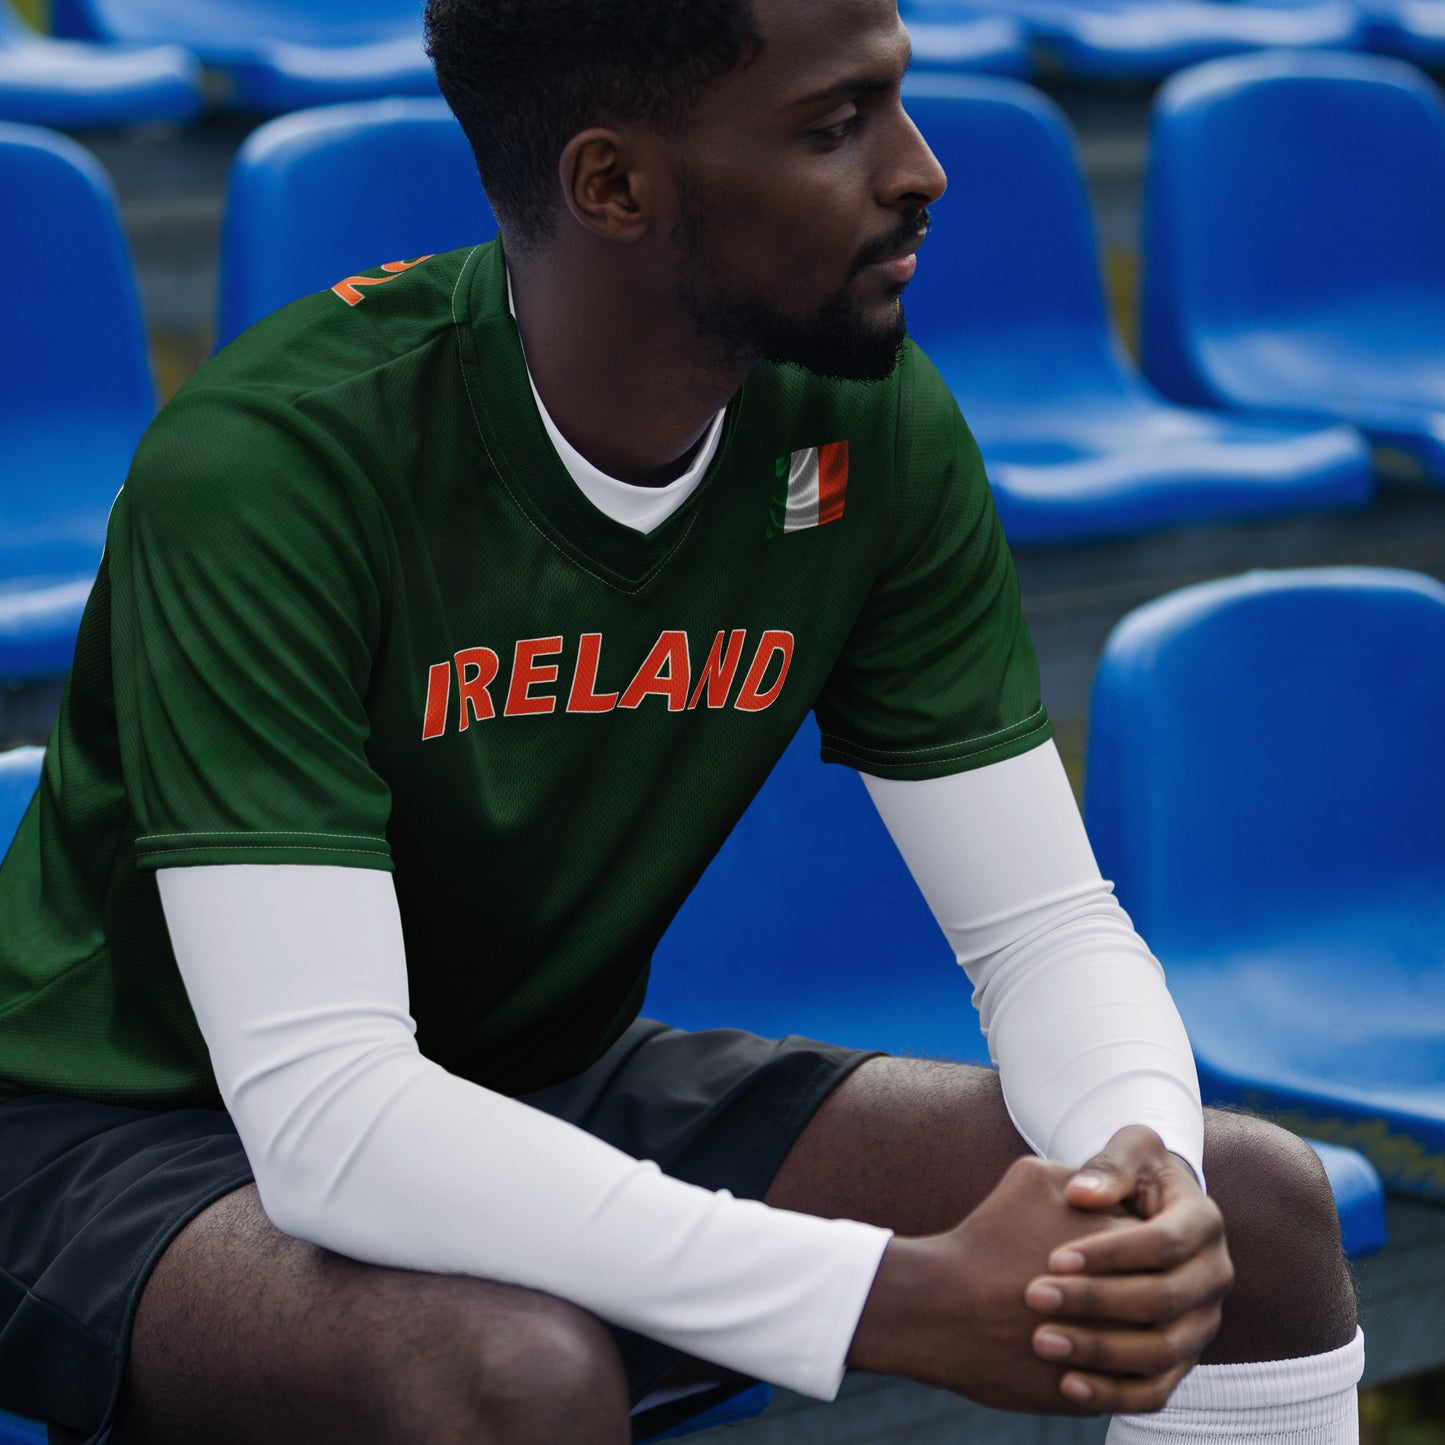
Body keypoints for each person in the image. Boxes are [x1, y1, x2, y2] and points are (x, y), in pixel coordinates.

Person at [0, 0, 1362, 1441]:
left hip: (526, 1071)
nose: (921, 169)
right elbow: (330, 1115)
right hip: (117, 1133)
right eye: (834, 125)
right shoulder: (272, 468)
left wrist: (1139, 1171)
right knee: (513, 1379)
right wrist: (887, 1296)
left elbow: (1044, 929)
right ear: (613, 184)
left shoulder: (861, 419)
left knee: (1248, 1206)